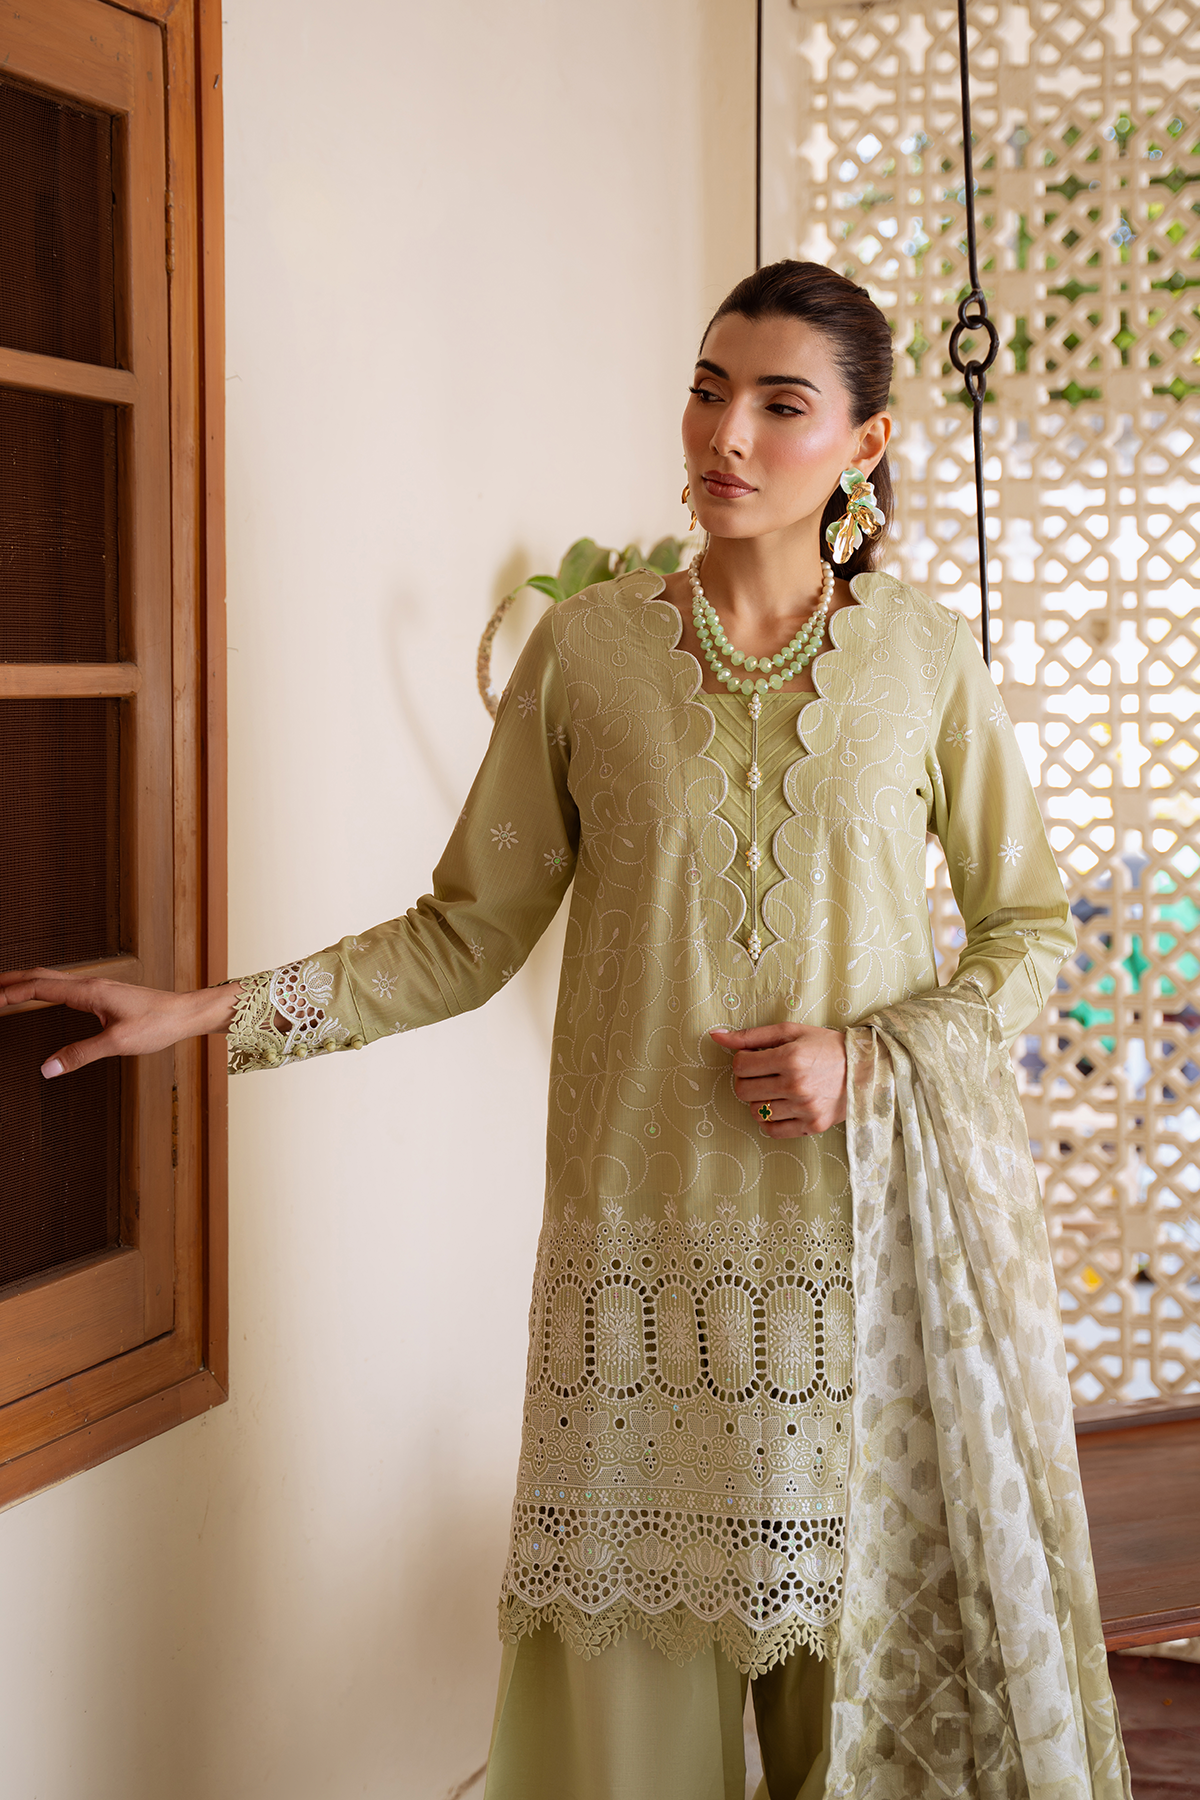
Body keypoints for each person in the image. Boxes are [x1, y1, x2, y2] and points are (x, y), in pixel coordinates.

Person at [1, 262, 1130, 1800]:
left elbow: (1029, 932)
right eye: (708, 389)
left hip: (862, 1278)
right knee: (626, 1756)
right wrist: (207, 1011)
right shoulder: (589, 652)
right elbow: (463, 936)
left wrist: (869, 1056)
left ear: (864, 445)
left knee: (870, 1745)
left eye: (780, 404)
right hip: (640, 1292)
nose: (726, 434)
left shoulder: (925, 660)